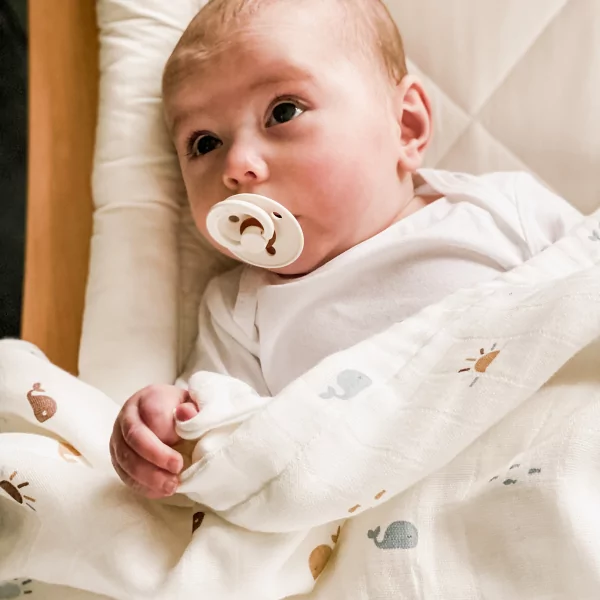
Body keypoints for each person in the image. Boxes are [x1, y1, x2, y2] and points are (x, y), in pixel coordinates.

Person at [109, 0, 582, 500]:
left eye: (283, 111)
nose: (237, 165)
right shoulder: (238, 310)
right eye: (204, 143)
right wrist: (165, 422)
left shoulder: (498, 211)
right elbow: (223, 435)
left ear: (405, 126)